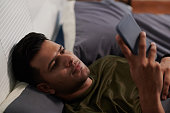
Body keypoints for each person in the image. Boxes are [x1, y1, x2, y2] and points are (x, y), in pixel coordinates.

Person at [11, 31, 170, 113]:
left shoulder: (105, 63)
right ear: (46, 88)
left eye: (62, 50)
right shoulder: (83, 110)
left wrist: (167, 60)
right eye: (55, 64)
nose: (69, 58)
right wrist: (149, 94)